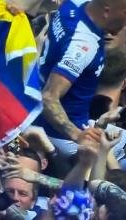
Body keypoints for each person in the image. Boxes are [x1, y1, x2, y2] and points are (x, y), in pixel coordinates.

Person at [35, 0, 126, 157]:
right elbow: (49, 98)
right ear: (106, 11)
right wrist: (76, 135)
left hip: (36, 113)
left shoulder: (74, 4)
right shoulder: (83, 45)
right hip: (63, 137)